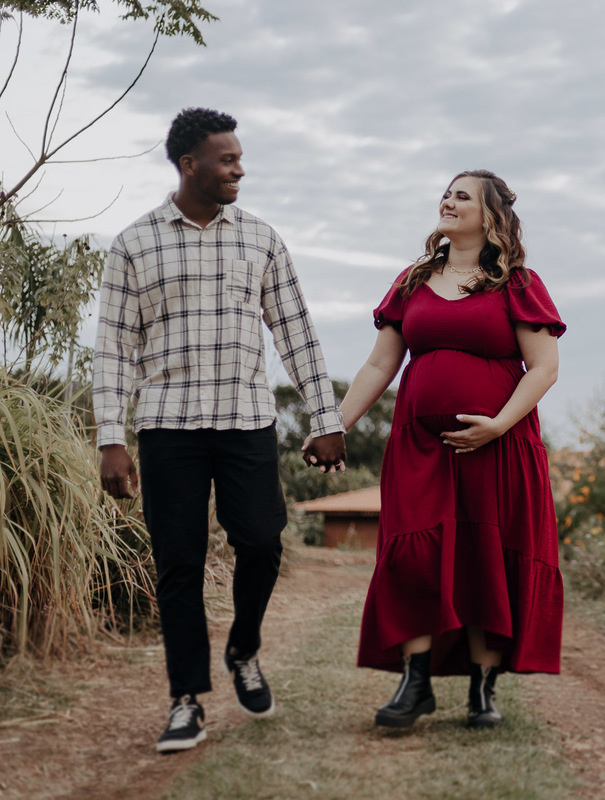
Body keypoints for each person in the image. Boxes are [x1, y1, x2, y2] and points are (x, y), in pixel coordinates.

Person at [92, 107, 347, 753]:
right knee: (178, 564)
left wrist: (326, 418)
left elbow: (295, 333)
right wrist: (110, 438)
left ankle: (243, 648)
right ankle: (187, 701)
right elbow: (112, 350)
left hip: (245, 423)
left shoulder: (260, 238)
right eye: (227, 159)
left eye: (239, 157)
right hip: (167, 428)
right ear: (188, 165)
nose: (240, 168)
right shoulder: (133, 244)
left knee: (261, 543)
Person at [335, 169, 564, 729]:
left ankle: (482, 692)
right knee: (415, 555)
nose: (447, 200)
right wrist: (333, 425)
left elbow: (545, 368)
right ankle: (415, 686)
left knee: (488, 560)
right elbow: (380, 364)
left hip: (498, 446)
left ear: (490, 216)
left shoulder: (517, 283)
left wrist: (499, 425)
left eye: (462, 195)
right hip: (419, 446)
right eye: (445, 192)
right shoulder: (413, 280)